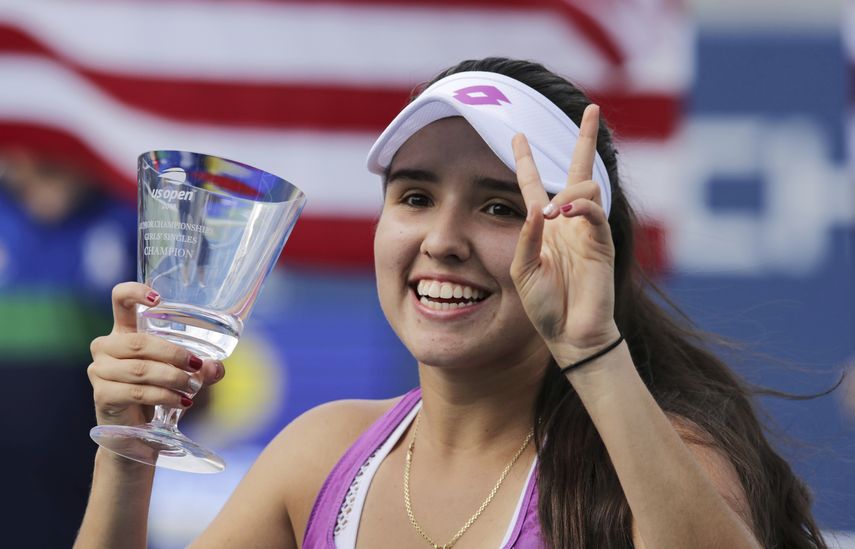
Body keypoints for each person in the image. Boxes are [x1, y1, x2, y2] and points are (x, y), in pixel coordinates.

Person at [74, 58, 827, 548]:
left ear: (589, 249)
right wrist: (129, 447)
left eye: (500, 208)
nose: (441, 239)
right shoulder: (323, 452)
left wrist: (591, 349)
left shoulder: (654, 462)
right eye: (414, 195)